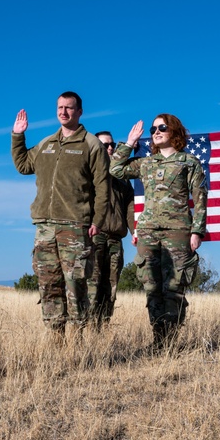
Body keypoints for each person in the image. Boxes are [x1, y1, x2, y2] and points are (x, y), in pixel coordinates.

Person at [11, 92, 109, 341]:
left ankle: (77, 341)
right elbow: (23, 165)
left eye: (69, 108)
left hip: (76, 226)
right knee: (48, 284)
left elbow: (102, 188)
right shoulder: (46, 144)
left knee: (75, 284)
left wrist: (97, 221)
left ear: (79, 112)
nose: (63, 112)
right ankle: (56, 340)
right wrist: (18, 135)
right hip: (44, 226)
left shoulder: (91, 145)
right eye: (60, 107)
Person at [110, 114, 207, 349]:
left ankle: (171, 342)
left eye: (162, 127)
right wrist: (130, 142)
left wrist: (197, 231)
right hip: (148, 232)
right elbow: (115, 168)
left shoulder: (189, 162)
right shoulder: (146, 163)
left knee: (174, 287)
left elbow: (201, 197)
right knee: (152, 287)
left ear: (174, 130)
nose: (156, 131)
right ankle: (159, 341)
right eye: (153, 128)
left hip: (178, 231)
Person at [88, 131, 136, 330]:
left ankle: (102, 328)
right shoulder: (90, 171)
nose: (109, 148)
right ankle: (86, 329)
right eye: (105, 144)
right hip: (93, 237)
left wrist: (135, 231)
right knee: (92, 285)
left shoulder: (122, 178)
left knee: (111, 287)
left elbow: (130, 206)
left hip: (116, 239)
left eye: (112, 144)